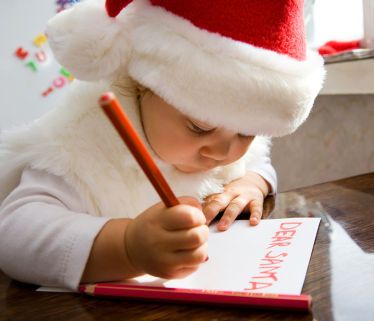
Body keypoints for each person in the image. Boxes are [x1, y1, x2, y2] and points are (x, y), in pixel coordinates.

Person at [0, 0, 325, 290]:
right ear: (142, 86)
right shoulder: (80, 149)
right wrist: (127, 248)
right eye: (199, 127)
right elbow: (14, 237)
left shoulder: (220, 145)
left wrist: (253, 183)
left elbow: (257, 162)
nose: (225, 154)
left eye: (247, 133)